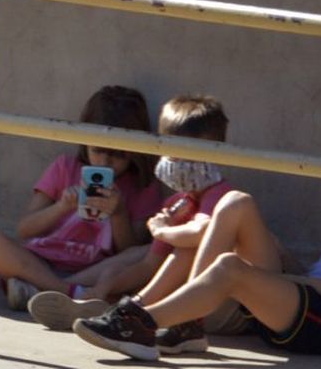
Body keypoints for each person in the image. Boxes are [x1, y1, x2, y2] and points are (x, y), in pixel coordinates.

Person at [74, 105, 321, 360]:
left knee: (229, 267)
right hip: (302, 300)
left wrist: (319, 286)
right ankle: (184, 325)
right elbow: (318, 275)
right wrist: (285, 259)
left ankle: (145, 322)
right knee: (237, 202)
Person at [30, 94, 242, 330]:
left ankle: (125, 313)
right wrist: (106, 286)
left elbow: (198, 233)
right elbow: (149, 265)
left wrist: (156, 229)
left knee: (183, 246)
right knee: (123, 269)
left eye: (188, 158)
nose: (179, 166)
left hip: (222, 307)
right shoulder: (176, 202)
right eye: (172, 156)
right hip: (179, 301)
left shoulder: (223, 197)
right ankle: (103, 304)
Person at [0, 85, 162, 311]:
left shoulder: (143, 186)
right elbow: (25, 229)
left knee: (148, 252)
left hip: (96, 271)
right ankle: (70, 293)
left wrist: (119, 213)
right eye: (97, 150)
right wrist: (61, 207)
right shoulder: (65, 167)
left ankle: (42, 291)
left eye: (118, 155)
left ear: (135, 150)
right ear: (85, 141)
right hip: (44, 263)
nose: (104, 162)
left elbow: (129, 251)